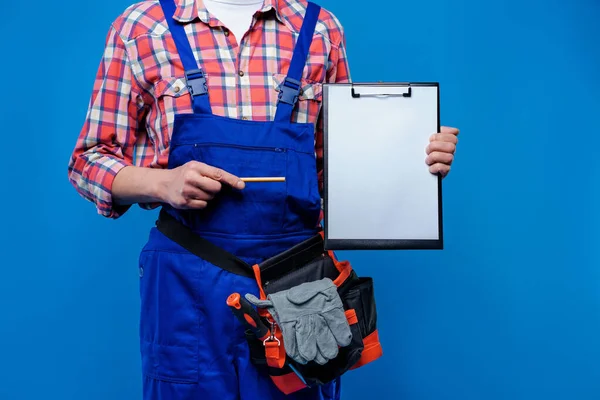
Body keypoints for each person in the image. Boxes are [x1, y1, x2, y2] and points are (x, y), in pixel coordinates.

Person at [67, 0, 460, 398]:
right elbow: (88, 160)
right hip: (185, 280)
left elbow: (337, 174)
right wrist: (163, 183)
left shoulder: (320, 29)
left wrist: (407, 154)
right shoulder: (141, 27)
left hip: (295, 285)